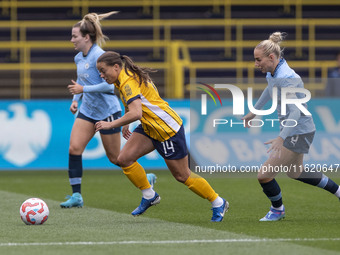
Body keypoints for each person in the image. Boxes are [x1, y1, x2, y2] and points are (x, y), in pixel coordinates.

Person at [70, 50, 229, 221]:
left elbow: (137, 112)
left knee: (182, 175)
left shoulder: (127, 81)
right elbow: (133, 104)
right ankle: (149, 195)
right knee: (124, 159)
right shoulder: (123, 77)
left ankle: (218, 202)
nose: (101, 75)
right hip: (149, 126)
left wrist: (112, 124)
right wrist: (126, 122)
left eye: (103, 70)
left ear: (116, 67)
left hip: (167, 130)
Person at [242, 32, 340, 221]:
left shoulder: (286, 77)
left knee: (264, 175)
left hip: (297, 131)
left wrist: (281, 138)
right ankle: (338, 190)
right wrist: (254, 111)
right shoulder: (274, 71)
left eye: (258, 60)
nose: (256, 64)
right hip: (299, 129)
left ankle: (277, 210)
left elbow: (295, 112)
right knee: (296, 172)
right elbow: (270, 89)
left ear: (271, 57)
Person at [62, 12, 156, 208]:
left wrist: (83, 90)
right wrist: (75, 99)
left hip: (108, 112)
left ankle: (146, 179)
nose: (72, 40)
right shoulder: (79, 57)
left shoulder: (99, 56)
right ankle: (77, 196)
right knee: (74, 148)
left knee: (116, 158)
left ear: (86, 37)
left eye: (74, 36)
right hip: (88, 110)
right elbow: (81, 80)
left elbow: (109, 86)